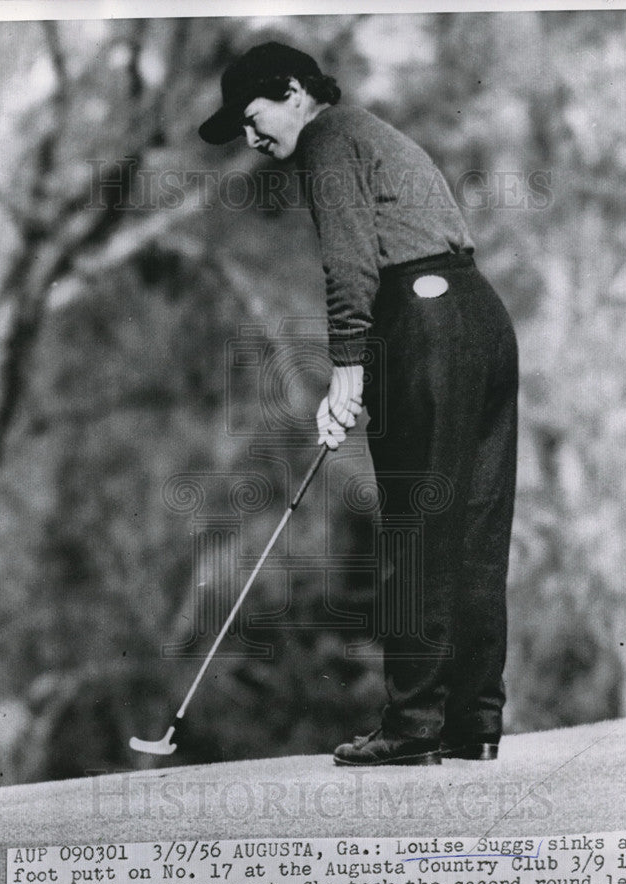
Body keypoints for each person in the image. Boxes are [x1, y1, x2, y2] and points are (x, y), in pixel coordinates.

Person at [199, 41, 518, 766]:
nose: (253, 140)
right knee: (471, 529)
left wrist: (346, 372)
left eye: (253, 119)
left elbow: (349, 261)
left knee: (415, 525)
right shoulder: (372, 132)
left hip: (425, 321)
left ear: (292, 92)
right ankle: (474, 721)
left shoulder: (326, 137)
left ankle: (413, 727)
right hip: (480, 318)